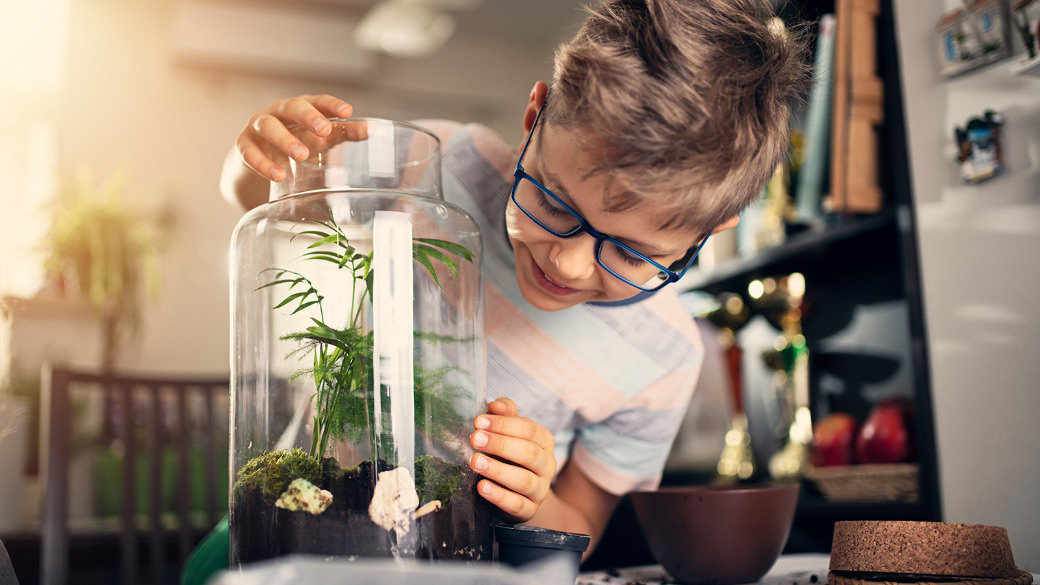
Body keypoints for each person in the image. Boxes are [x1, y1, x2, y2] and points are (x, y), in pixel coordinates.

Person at [187, 0, 806, 581]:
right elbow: (251, 198)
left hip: (455, 557)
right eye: (554, 201)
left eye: (630, 252)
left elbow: (581, 527)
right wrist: (265, 153)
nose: (566, 262)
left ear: (710, 231)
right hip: (303, 516)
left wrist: (533, 496)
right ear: (534, 121)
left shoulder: (666, 358)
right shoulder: (439, 163)